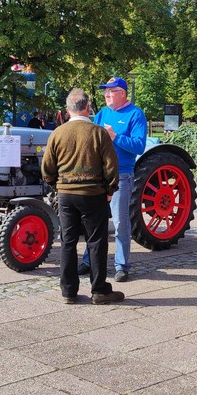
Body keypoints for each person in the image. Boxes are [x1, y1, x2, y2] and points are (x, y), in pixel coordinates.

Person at [42, 88, 123, 305]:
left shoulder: (57, 133)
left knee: (68, 242)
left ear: (68, 110)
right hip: (93, 194)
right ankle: (99, 290)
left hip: (66, 195)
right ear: (87, 108)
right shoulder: (98, 133)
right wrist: (109, 190)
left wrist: (56, 186)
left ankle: (68, 291)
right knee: (96, 242)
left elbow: (47, 167)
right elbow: (111, 166)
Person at [79, 76, 147, 282]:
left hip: (122, 175)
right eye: (105, 91)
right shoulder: (102, 114)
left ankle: (122, 266)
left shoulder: (136, 114)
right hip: (99, 175)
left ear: (123, 94)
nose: (107, 94)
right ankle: (89, 261)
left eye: (111, 91)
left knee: (120, 223)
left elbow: (139, 146)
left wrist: (115, 136)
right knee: (94, 221)